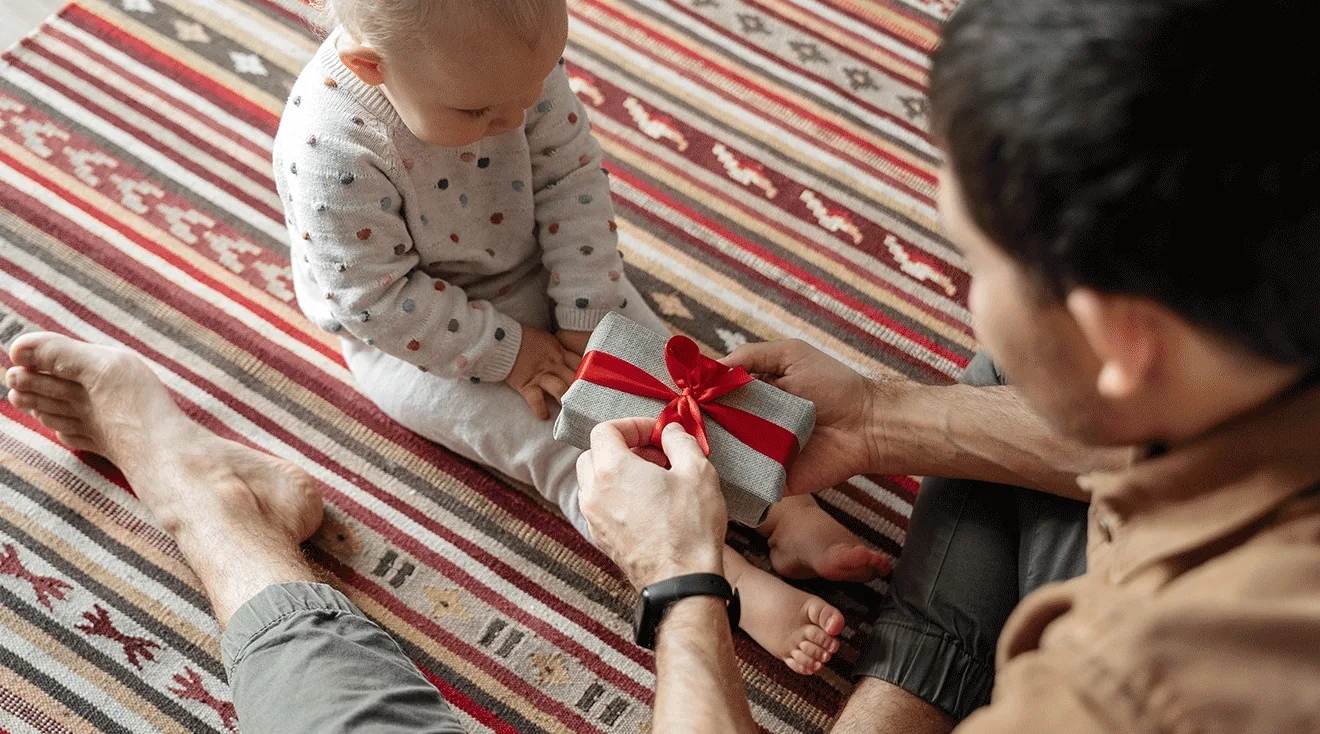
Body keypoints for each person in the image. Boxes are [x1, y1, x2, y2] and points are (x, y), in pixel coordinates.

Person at [575, 0, 1320, 731]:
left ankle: (939, 669)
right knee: (1016, 382)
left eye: (978, 264)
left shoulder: (1134, 687)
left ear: (1122, 336)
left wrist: (681, 585)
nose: (973, 300)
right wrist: (872, 419)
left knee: (1018, 378)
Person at [275, 0, 890, 674]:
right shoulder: (330, 145)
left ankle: (781, 504)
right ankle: (726, 577)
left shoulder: (509, 67)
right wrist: (506, 353)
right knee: (571, 447)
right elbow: (373, 299)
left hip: (544, 263)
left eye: (531, 92)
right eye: (479, 115)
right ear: (372, 68)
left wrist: (582, 308)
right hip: (426, 339)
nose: (510, 123)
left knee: (674, 376)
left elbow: (573, 182)